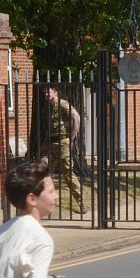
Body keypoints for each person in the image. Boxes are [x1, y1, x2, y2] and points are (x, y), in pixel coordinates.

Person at [45, 85, 86, 214]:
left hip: (62, 145)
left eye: (48, 92)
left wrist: (71, 138)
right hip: (52, 145)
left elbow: (76, 118)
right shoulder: (50, 107)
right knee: (44, 171)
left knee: (68, 174)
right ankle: (46, 201)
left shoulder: (62, 104)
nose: (46, 95)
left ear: (55, 92)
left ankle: (82, 202)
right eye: (45, 93)